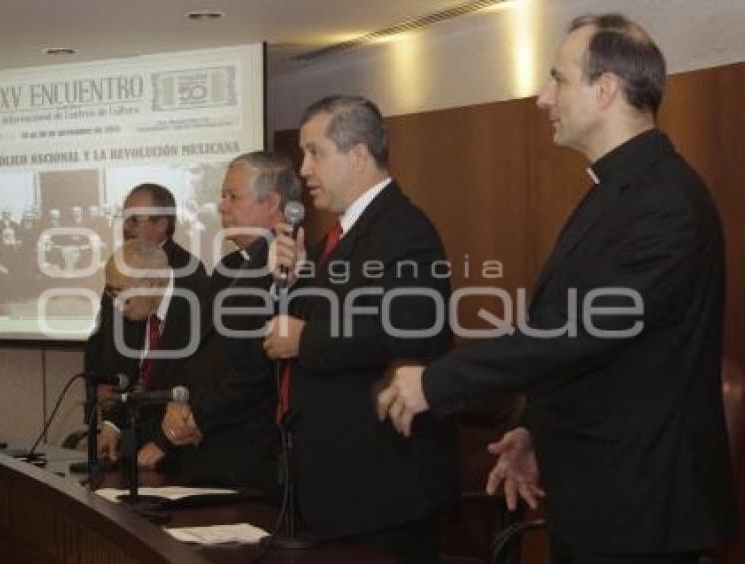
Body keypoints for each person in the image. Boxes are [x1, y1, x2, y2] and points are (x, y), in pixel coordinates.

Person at [377, 13, 735, 564]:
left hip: (641, 506)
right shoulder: (616, 190)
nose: (544, 97)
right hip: (599, 492)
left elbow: (578, 333)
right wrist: (533, 432)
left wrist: (438, 380)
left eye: (558, 79)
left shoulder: (663, 202)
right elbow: (580, 341)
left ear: (607, 88)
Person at [265, 96, 457, 563]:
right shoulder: (349, 233)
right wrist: (296, 279)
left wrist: (304, 340)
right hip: (341, 485)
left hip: (383, 489)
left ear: (358, 154)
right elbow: (339, 314)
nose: (304, 169)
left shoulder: (402, 230)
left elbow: (411, 332)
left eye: (315, 153)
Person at [151, 151, 302, 497]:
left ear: (272, 203)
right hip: (204, 449)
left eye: (233, 196)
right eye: (223, 196)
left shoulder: (288, 268)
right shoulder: (227, 267)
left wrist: (198, 418)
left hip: (247, 456)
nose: (222, 206)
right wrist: (180, 401)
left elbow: (259, 367)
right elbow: (199, 352)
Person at [87, 183, 208, 465]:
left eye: (134, 220)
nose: (126, 227)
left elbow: (192, 373)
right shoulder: (121, 268)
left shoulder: (190, 278)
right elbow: (105, 340)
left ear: (162, 224)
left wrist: (163, 441)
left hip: (171, 439)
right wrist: (110, 413)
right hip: (126, 421)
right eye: (124, 219)